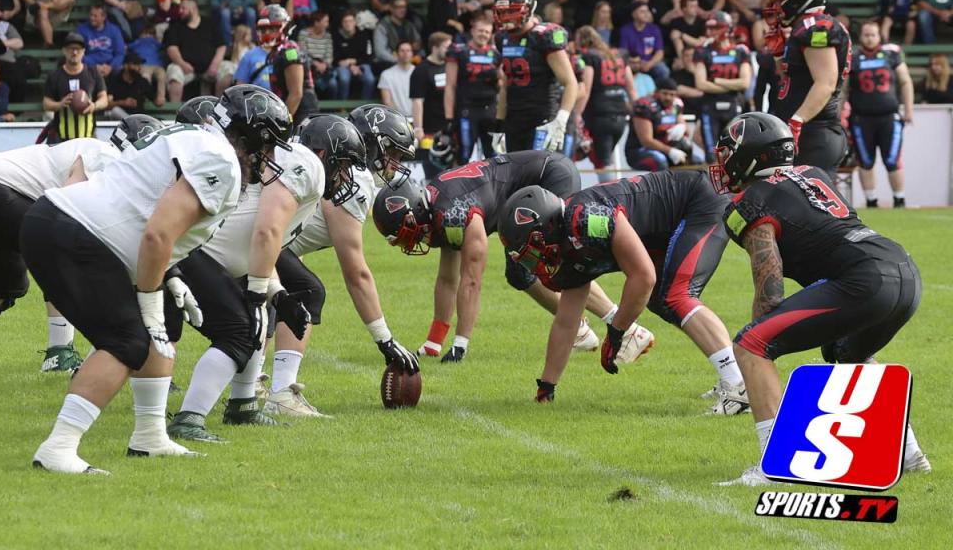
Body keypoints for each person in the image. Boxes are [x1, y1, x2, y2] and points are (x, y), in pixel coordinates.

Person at [23, 88, 270, 473]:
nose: (268, 157)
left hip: (63, 222)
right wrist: (150, 299)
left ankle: (150, 435)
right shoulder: (221, 159)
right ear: (251, 137)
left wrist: (169, 276)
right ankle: (59, 446)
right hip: (78, 232)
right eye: (267, 145)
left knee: (155, 331)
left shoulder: (191, 137)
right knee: (128, 341)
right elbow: (158, 233)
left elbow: (141, 205)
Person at [709, 112, 929, 486]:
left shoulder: (751, 201)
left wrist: (761, 341)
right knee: (848, 352)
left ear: (752, 157)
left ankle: (776, 464)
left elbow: (770, 285)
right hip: (904, 270)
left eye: (729, 154)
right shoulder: (813, 173)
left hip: (864, 279)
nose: (725, 163)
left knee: (750, 344)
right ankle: (909, 453)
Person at [496, 169, 746, 411]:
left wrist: (616, 332)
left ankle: (738, 388)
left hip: (696, 202)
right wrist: (547, 386)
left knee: (676, 295)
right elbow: (566, 322)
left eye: (533, 249)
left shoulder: (585, 219)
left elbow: (643, 276)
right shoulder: (568, 242)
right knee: (660, 299)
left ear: (548, 227)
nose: (535, 261)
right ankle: (734, 376)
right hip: (665, 226)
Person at [163, 91, 331, 441]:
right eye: (266, 146)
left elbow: (258, 243)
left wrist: (277, 293)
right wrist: (257, 294)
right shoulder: (301, 168)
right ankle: (189, 418)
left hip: (195, 250)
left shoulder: (247, 167)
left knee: (259, 320)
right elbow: (264, 232)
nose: (267, 157)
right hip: (189, 251)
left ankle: (242, 405)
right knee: (239, 331)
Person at [0, 123, 139, 369]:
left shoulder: (98, 151)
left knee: (8, 284)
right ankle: (59, 353)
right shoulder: (107, 155)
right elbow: (69, 203)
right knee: (59, 251)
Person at [374, 151, 610, 363]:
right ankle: (580, 329)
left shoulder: (452, 212)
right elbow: (447, 279)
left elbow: (472, 280)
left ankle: (618, 321)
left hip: (548, 177)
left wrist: (460, 344)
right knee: (520, 274)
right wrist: (434, 343)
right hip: (525, 192)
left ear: (415, 211)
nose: (409, 243)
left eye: (405, 233)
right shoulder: (438, 209)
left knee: (556, 262)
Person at [259, 111, 413, 417]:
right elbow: (356, 271)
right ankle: (280, 393)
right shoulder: (355, 177)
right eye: (393, 154)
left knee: (277, 297)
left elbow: (293, 231)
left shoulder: (319, 159)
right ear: (374, 144)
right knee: (306, 291)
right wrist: (384, 339)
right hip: (258, 235)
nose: (394, 165)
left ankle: (253, 386)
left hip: (262, 235)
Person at [762, 0, 851, 176]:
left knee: (810, 196)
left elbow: (825, 83)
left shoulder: (816, 26)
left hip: (814, 132)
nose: (776, 6)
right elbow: (790, 80)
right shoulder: (804, 27)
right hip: (808, 131)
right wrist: (778, 53)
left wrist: (797, 120)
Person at [493, 0, 578, 155]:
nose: (507, 17)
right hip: (515, 119)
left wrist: (561, 119)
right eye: (503, 12)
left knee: (541, 171)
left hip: (543, 119)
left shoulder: (543, 36)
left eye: (512, 11)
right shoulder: (502, 38)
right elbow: (506, 86)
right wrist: (499, 125)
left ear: (529, 9)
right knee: (517, 172)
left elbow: (570, 82)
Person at [848, 21, 912, 208]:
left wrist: (908, 109)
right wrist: (838, 114)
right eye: (866, 34)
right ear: (860, 36)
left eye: (873, 35)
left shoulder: (891, 54)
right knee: (865, 161)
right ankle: (871, 201)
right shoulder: (853, 58)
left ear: (879, 36)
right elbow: (844, 90)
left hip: (889, 116)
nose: (869, 38)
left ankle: (899, 200)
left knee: (892, 160)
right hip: (861, 117)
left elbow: (905, 81)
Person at [576, 25, 633, 179]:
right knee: (603, 157)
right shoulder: (619, 56)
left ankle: (610, 192)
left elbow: (586, 88)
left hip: (599, 115)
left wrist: (577, 114)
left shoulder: (590, 57)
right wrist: (636, 110)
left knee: (602, 161)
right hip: (621, 115)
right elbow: (631, 89)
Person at [693, 11, 752, 158]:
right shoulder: (702, 51)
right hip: (710, 106)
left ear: (728, 28)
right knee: (711, 154)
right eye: (709, 28)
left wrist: (717, 81)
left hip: (734, 105)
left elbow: (745, 83)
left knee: (735, 153)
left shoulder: (741, 51)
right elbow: (701, 84)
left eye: (716, 28)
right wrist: (731, 85)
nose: (710, 32)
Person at [442, 13, 499, 163]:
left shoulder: (496, 54)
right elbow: (450, 86)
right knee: (464, 153)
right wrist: (449, 118)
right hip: (466, 110)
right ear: (472, 30)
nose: (483, 34)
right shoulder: (459, 51)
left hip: (490, 111)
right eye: (480, 30)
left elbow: (502, 85)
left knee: (494, 154)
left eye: (487, 32)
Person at [41, 32, 107, 144]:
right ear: (64, 50)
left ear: (84, 51)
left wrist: (94, 106)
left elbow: (104, 99)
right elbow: (46, 103)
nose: (75, 52)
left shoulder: (93, 73)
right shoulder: (55, 75)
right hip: (61, 140)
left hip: (88, 139)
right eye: (71, 48)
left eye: (78, 49)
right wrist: (60, 104)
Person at [259, 5, 318, 121]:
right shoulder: (275, 52)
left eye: (272, 28)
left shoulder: (290, 52)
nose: (266, 33)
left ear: (284, 28)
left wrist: (281, 123)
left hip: (301, 115)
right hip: (290, 111)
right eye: (263, 29)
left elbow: (296, 94)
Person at [163, 0, 224, 102]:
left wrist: (215, 63)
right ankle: (174, 109)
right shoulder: (175, 25)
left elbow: (221, 46)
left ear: (193, 9)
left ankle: (221, 108)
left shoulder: (209, 23)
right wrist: (182, 63)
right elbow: (171, 48)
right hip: (185, 68)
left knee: (228, 69)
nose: (180, 11)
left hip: (210, 67)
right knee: (173, 72)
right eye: (180, 8)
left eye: (183, 8)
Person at [626, 74, 691, 171]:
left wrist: (682, 127)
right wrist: (670, 151)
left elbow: (687, 132)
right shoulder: (645, 106)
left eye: (672, 95)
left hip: (665, 147)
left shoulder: (676, 104)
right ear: (657, 92)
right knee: (660, 160)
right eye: (665, 93)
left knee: (690, 153)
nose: (668, 97)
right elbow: (646, 141)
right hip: (640, 150)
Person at [409, 31, 451, 176]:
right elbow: (417, 101)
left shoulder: (451, 66)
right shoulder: (421, 70)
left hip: (449, 127)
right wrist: (418, 128)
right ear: (435, 47)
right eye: (446, 47)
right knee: (433, 172)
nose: (450, 51)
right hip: (430, 129)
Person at [618, 2, 668, 82]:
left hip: (650, 61)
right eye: (642, 12)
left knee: (663, 70)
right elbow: (624, 52)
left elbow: (660, 52)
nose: (646, 14)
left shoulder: (654, 29)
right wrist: (637, 62)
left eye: (647, 11)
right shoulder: (625, 30)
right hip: (633, 61)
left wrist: (650, 63)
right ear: (634, 15)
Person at [332, 11, 375, 99]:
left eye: (350, 21)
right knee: (344, 79)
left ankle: (366, 105)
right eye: (345, 21)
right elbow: (335, 58)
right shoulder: (336, 36)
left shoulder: (363, 35)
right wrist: (350, 65)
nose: (348, 24)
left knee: (370, 79)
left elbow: (368, 56)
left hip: (361, 63)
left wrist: (354, 62)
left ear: (355, 22)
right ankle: (342, 105)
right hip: (343, 65)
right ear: (342, 23)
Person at [373, 0, 421, 69]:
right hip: (389, 63)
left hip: (408, 61)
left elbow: (417, 42)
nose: (402, 10)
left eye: (404, 7)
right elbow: (380, 52)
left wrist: (416, 45)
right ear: (391, 8)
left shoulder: (409, 25)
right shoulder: (383, 26)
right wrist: (398, 60)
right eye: (399, 7)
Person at [79, 4, 125, 78]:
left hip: (110, 67)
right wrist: (95, 66)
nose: (92, 18)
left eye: (95, 16)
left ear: (103, 17)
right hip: (89, 66)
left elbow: (120, 53)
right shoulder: (82, 29)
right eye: (91, 15)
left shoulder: (114, 30)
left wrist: (110, 67)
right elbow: (78, 53)